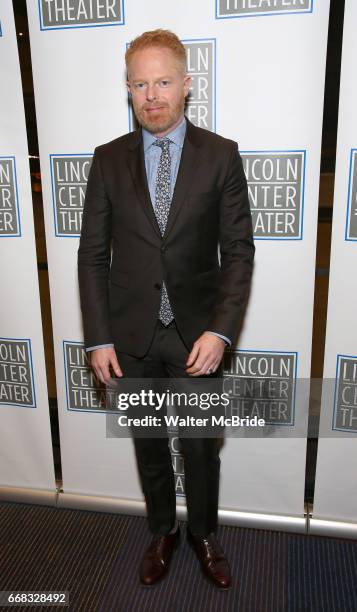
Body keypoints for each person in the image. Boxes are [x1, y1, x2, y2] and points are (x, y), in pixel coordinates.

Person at [78, 29, 255, 589]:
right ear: (128, 89)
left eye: (162, 81)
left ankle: (203, 533)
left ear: (186, 85)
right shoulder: (107, 160)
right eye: (139, 84)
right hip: (131, 340)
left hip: (197, 338)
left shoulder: (221, 156)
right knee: (150, 447)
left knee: (201, 450)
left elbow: (239, 253)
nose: (151, 95)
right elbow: (91, 257)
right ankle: (162, 530)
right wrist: (100, 338)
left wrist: (221, 332)